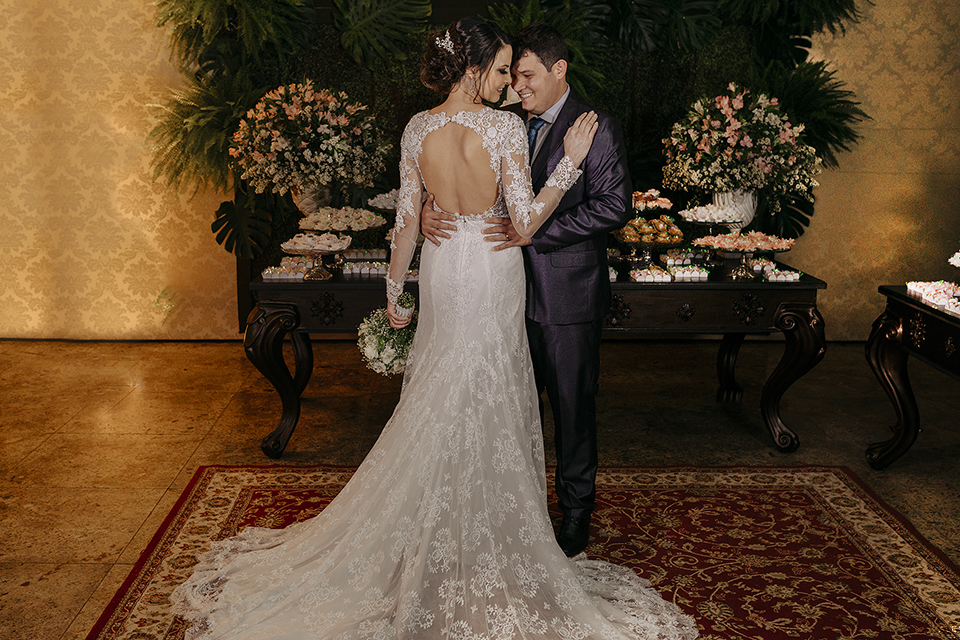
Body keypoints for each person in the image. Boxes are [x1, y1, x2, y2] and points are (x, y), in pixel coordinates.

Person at [171, 17, 697, 639]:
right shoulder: (503, 127)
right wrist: (568, 168)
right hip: (494, 269)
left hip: (444, 270)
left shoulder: (417, 127)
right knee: (490, 391)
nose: (508, 82)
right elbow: (525, 221)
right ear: (473, 69)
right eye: (500, 70)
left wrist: (394, 292)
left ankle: (441, 525)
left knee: (443, 389)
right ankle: (487, 530)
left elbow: (405, 223)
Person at [421, 22, 633, 558]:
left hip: (566, 296)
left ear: (559, 70)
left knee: (571, 409)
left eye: (528, 76)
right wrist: (428, 208)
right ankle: (514, 509)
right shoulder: (504, 120)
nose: (517, 87)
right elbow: (469, 182)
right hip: (502, 292)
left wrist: (534, 233)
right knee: (511, 407)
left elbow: (614, 206)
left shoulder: (594, 126)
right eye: (512, 76)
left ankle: (576, 512)